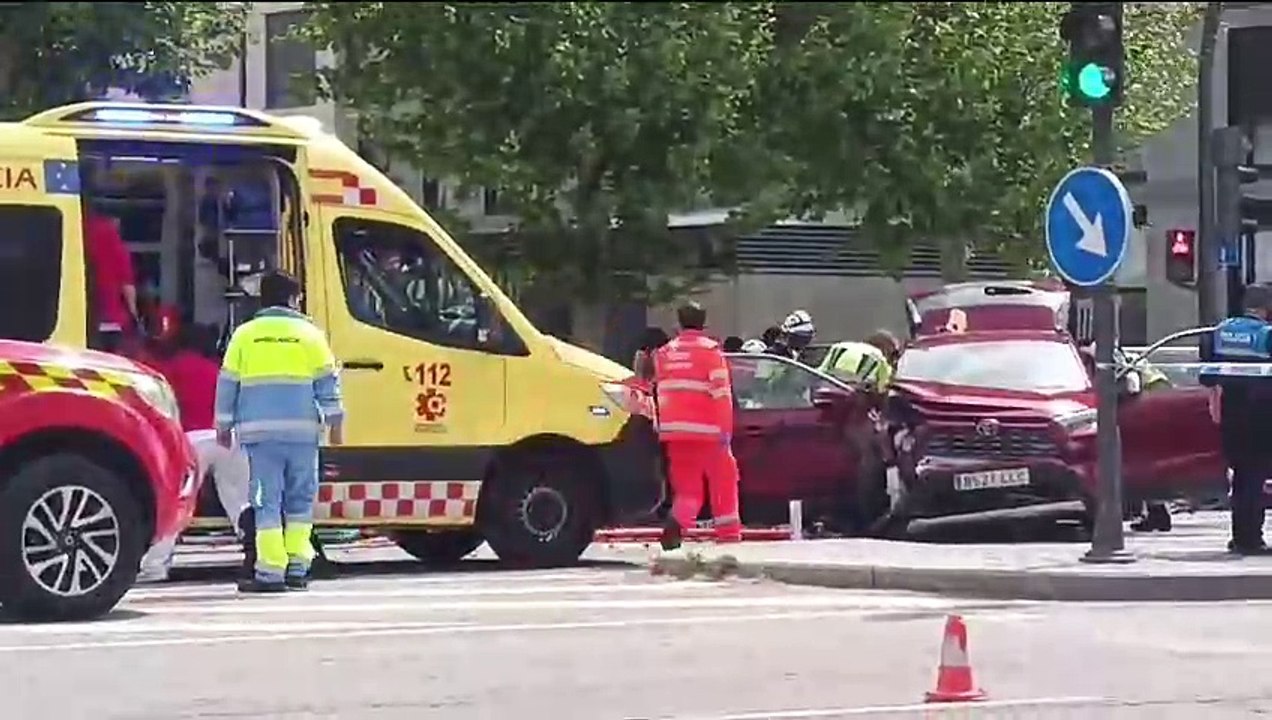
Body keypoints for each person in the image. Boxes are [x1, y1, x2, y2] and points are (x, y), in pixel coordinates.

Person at [215, 270, 345, 592]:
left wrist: (223, 425)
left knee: (266, 502)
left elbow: (228, 383)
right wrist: (335, 422)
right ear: (292, 298)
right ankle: (298, 568)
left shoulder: (244, 335)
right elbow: (327, 382)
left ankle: (270, 572)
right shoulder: (310, 334)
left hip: (260, 436)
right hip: (303, 434)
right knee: (300, 501)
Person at [137, 313, 253, 583]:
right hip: (228, 438)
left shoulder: (171, 369)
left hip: (191, 441)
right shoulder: (219, 369)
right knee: (240, 501)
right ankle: (257, 553)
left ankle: (155, 566)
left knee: (178, 503)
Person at [654, 301, 741, 549]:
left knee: (687, 490)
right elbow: (722, 396)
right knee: (724, 482)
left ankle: (677, 522)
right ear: (703, 323)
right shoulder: (711, 353)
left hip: (674, 434)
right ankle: (729, 536)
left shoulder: (664, 354)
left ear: (679, 323)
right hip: (709, 433)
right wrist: (726, 432)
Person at [1205, 283, 1272, 555]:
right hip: (1262, 415)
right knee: (1255, 479)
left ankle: (1240, 537)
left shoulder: (1220, 331)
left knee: (1242, 478)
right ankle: (1252, 539)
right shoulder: (1266, 334)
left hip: (1231, 415)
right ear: (1266, 309)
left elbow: (1207, 375)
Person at [82, 163, 140, 352]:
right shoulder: (112, 238)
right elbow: (126, 283)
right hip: (111, 318)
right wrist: (134, 314)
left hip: (84, 317)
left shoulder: (78, 229)